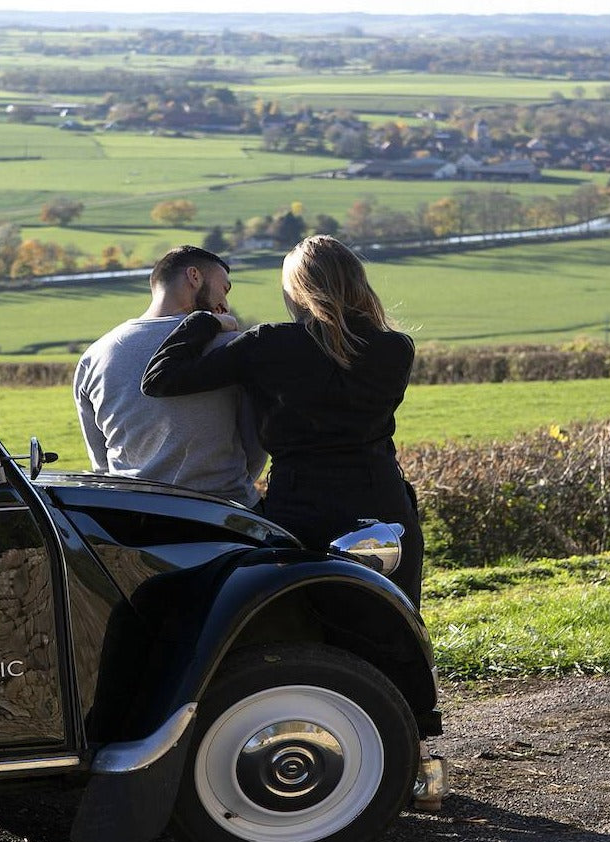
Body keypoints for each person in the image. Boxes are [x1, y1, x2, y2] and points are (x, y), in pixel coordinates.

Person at [141, 235, 423, 605]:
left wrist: (206, 322)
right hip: (383, 504)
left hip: (302, 509)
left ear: (298, 292)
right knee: (392, 625)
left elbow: (160, 378)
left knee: (306, 624)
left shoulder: (268, 344)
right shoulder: (396, 347)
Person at [74, 245, 266, 508]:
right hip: (225, 514)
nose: (225, 304)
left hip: (134, 518)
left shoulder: (94, 357)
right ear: (194, 276)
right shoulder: (230, 347)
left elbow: (101, 463)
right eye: (224, 288)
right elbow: (254, 446)